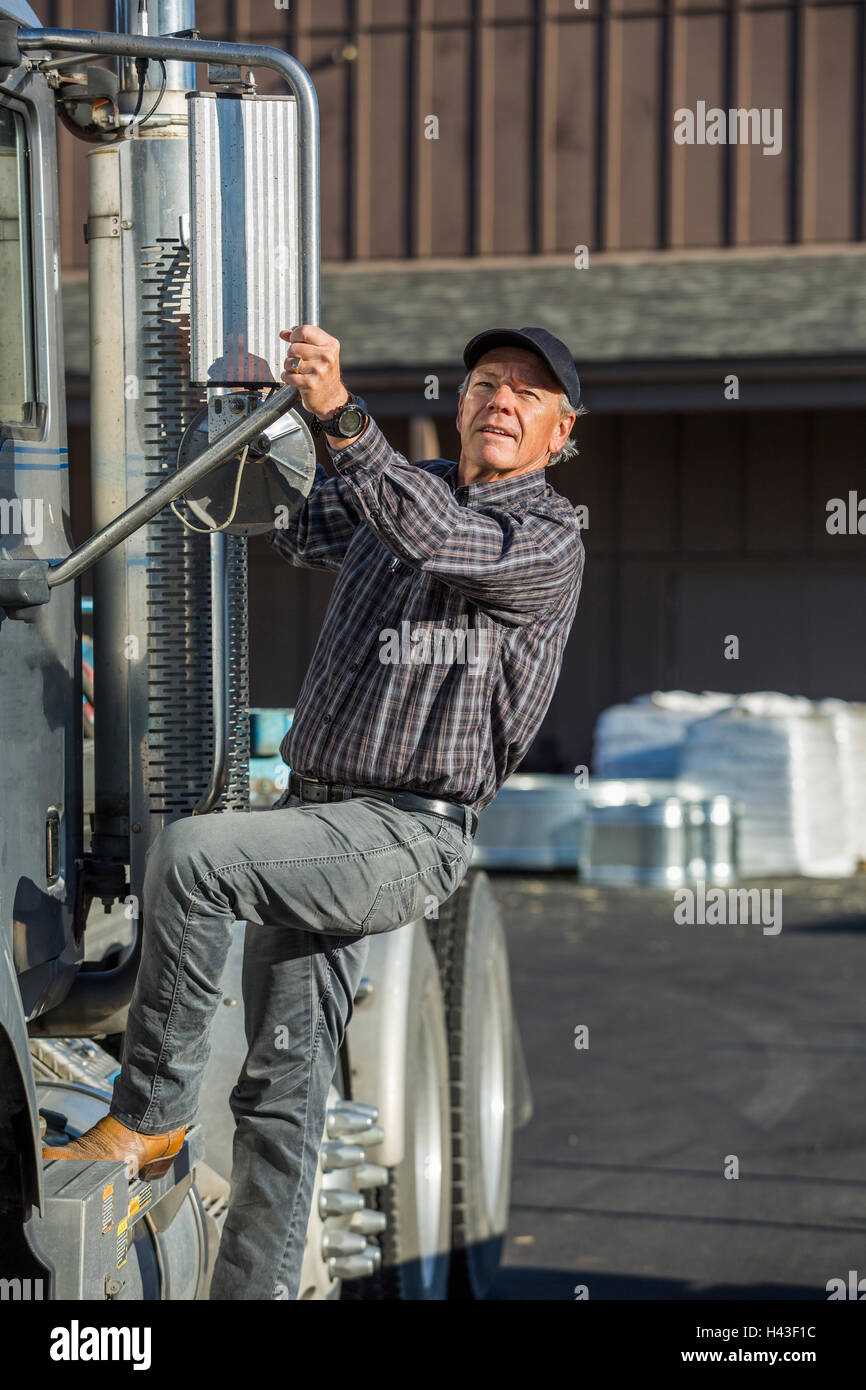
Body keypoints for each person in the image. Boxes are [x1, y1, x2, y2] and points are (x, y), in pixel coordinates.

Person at [43, 324, 586, 1299]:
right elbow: (287, 518)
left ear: (559, 432)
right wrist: (243, 410)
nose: (500, 401)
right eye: (486, 384)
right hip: (315, 816)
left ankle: (154, 1109)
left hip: (401, 835)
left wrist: (338, 412)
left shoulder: (542, 540)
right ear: (460, 404)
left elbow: (433, 536)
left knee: (197, 858)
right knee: (279, 1098)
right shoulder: (407, 492)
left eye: (527, 395)